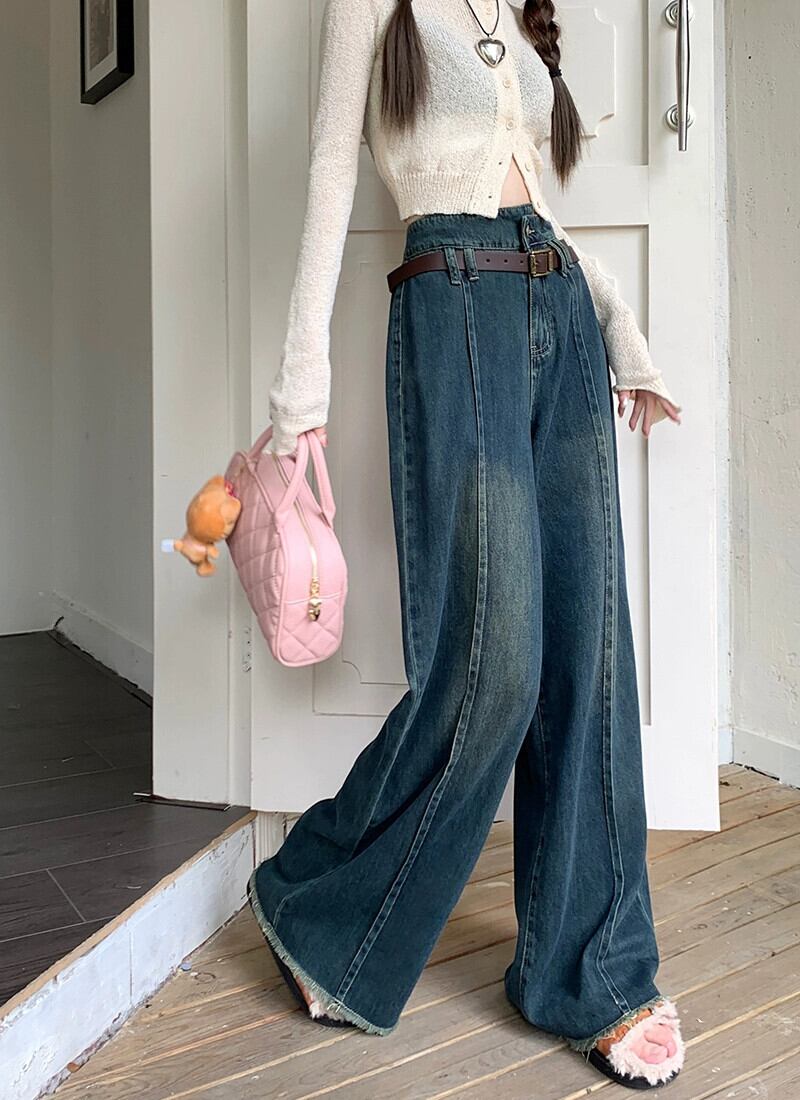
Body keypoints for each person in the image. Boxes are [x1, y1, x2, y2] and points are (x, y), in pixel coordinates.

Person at [247, 0, 685, 1089]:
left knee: (587, 657)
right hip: (450, 304)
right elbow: (329, 177)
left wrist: (622, 333)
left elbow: (538, 202)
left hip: (560, 316)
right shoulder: (370, 5)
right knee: (492, 668)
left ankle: (593, 973)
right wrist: (300, 389)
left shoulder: (519, 13)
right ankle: (323, 906)